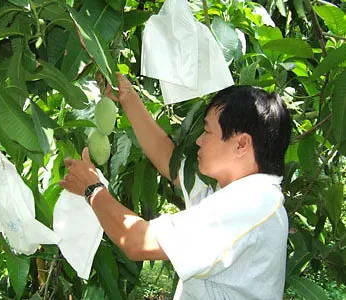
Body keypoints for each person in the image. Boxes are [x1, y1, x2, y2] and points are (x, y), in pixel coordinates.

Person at [59, 72, 292, 300]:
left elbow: (136, 241)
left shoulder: (249, 205)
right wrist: (127, 97)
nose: (199, 140)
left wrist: (92, 189)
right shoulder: (241, 195)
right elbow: (167, 157)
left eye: (208, 131)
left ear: (241, 144)